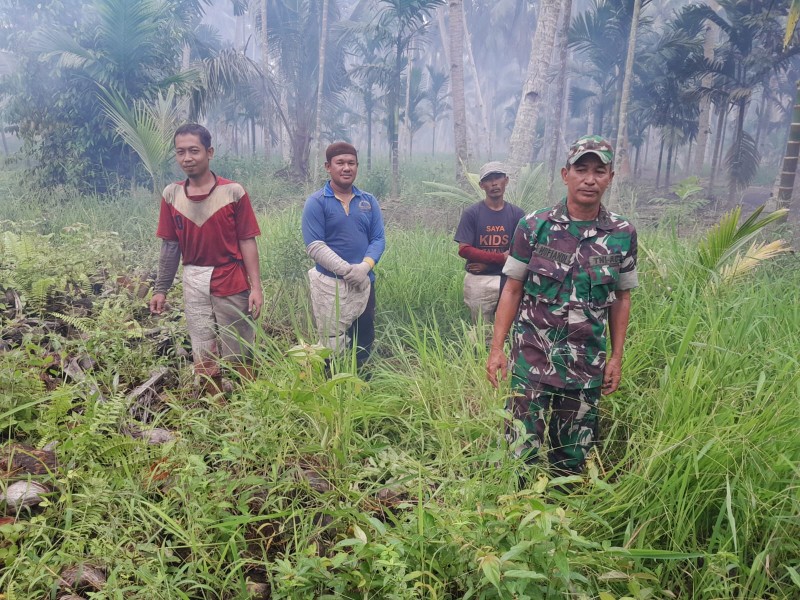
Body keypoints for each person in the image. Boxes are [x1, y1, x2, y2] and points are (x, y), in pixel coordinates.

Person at [486, 135, 638, 479]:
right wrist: (497, 349)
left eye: (599, 171)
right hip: (532, 358)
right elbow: (512, 290)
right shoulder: (534, 226)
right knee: (518, 451)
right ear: (564, 174)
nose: (590, 179)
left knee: (571, 458)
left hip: (586, 362)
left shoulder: (622, 233)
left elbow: (622, 298)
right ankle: (513, 516)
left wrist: (615, 357)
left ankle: (563, 515)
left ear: (610, 177)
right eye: (581, 169)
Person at [150, 124, 263, 396]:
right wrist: (160, 288)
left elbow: (247, 240)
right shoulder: (172, 195)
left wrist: (256, 286)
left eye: (194, 151)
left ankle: (248, 401)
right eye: (180, 152)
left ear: (209, 152)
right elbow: (170, 245)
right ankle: (214, 402)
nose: (187, 158)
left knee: (239, 342)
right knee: (202, 342)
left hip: (231, 276)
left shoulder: (233, 192)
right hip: (193, 278)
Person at [301, 142, 385, 369]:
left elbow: (378, 239)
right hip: (329, 284)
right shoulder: (316, 202)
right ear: (328, 167)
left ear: (357, 166)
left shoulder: (368, 201)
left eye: (351, 163)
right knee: (331, 341)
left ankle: (361, 382)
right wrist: (348, 271)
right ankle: (332, 384)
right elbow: (315, 246)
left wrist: (364, 268)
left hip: (365, 282)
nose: (346, 168)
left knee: (364, 336)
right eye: (340, 163)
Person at [454, 162, 524, 324]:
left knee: (510, 329)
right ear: (481, 185)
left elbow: (521, 251)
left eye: (498, 177)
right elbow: (464, 249)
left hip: (509, 280)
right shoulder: (472, 213)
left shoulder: (517, 214)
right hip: (480, 280)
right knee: (481, 331)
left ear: (506, 180)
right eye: (489, 179)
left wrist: (488, 264)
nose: (494, 183)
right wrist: (500, 259)